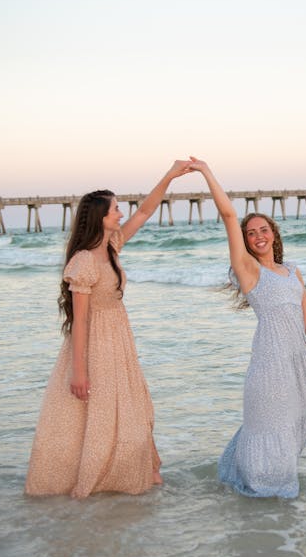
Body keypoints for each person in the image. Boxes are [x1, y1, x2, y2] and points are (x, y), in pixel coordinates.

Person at [25, 160, 192, 499]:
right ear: (101, 216)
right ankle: (98, 481)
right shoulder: (84, 261)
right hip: (96, 346)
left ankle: (128, 474)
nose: (121, 213)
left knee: (132, 412)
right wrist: (79, 372)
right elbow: (81, 321)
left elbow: (145, 211)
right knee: (99, 415)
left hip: (120, 342)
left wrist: (170, 176)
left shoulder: (112, 248)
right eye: (116, 209)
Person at [189, 157, 306, 499]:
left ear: (274, 234)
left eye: (263, 230)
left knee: (299, 421)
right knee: (268, 424)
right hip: (269, 362)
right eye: (251, 233)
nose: (258, 236)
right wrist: (207, 171)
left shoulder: (292, 270)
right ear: (245, 241)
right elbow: (228, 215)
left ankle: (271, 485)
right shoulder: (248, 271)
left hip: (298, 361)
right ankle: (261, 491)